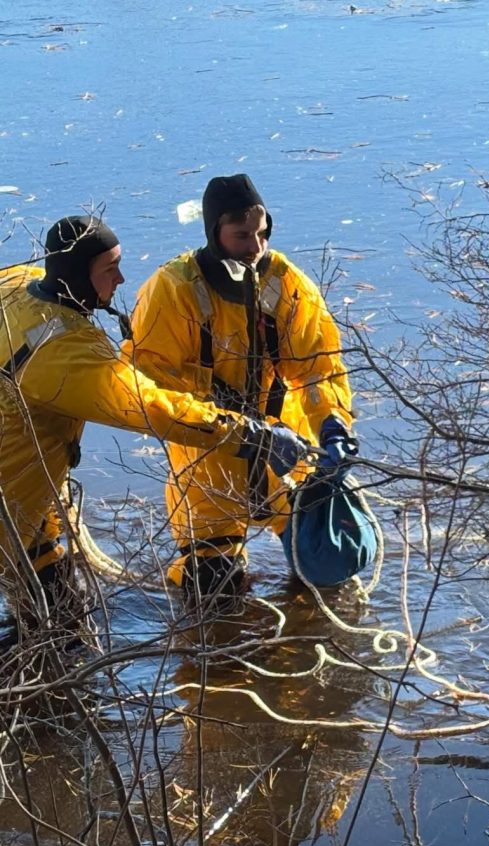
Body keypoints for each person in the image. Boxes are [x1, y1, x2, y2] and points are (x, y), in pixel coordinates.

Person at [0, 215, 312, 634]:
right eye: (110, 269)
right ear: (76, 275)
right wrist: (250, 433)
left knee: (55, 610)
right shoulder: (67, 357)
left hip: (25, 500)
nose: (121, 279)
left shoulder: (14, 286)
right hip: (10, 512)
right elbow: (151, 407)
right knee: (60, 634)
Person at [125, 174, 356, 600]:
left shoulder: (286, 283)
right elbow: (148, 384)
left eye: (262, 233)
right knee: (212, 589)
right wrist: (225, 422)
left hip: (285, 456)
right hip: (209, 461)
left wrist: (333, 424)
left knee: (330, 568)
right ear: (215, 232)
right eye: (242, 236)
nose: (256, 247)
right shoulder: (174, 289)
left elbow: (318, 368)